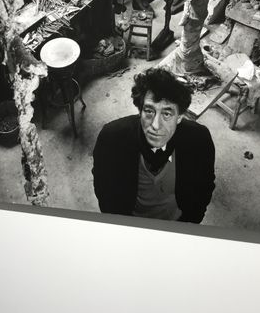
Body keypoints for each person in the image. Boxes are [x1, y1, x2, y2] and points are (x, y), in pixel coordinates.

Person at [92, 68, 215, 223]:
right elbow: (104, 191)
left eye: (167, 113)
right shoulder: (111, 139)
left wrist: (190, 223)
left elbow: (204, 188)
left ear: (180, 117)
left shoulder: (199, 140)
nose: (156, 125)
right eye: (149, 111)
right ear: (140, 111)